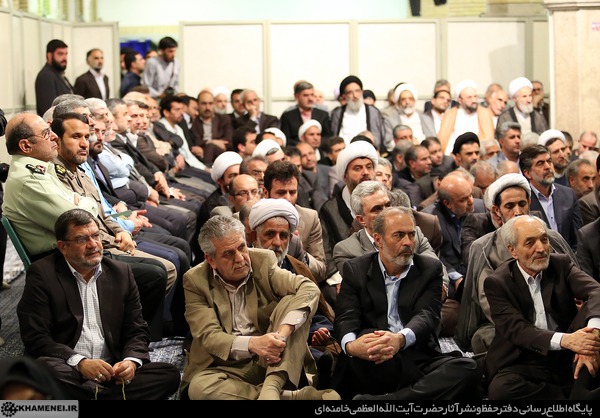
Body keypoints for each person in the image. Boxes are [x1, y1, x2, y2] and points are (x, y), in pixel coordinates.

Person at [17, 209, 181, 400]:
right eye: (82, 239)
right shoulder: (42, 274)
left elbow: (136, 329)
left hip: (111, 372)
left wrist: (131, 361)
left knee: (169, 375)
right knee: (44, 370)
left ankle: (88, 397)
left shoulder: (121, 273)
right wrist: (81, 362)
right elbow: (36, 336)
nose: (93, 244)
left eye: (96, 236)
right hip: (69, 369)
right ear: (63, 247)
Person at [179, 215, 340, 400]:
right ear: (211, 259)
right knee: (199, 388)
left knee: (291, 301)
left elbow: (308, 288)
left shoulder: (262, 260)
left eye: (241, 247)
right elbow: (209, 337)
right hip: (226, 364)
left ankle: (272, 386)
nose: (240, 258)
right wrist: (254, 344)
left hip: (273, 359)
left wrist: (281, 335)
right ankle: (294, 397)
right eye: (228, 254)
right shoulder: (195, 280)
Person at [332, 206, 482, 400]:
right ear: (378, 240)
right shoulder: (356, 269)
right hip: (374, 356)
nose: (408, 242)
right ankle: (419, 393)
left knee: (468, 368)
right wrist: (351, 346)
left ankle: (388, 400)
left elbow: (427, 315)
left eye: (411, 235)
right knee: (369, 342)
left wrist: (400, 339)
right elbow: (346, 316)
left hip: (415, 352)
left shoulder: (430, 268)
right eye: (399, 235)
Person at [483, 215, 600, 400]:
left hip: (570, 354)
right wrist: (566, 340)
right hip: (527, 357)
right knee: (502, 390)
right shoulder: (498, 283)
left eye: (544, 239)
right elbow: (518, 330)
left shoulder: (560, 264)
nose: (541, 248)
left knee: (591, 310)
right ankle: (571, 395)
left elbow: (596, 291)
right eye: (530, 243)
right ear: (513, 250)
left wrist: (592, 337)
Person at [35, 39, 74, 117]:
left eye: (66, 54)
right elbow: (48, 110)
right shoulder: (46, 76)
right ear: (49, 55)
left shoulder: (58, 74)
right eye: (60, 54)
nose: (64, 58)